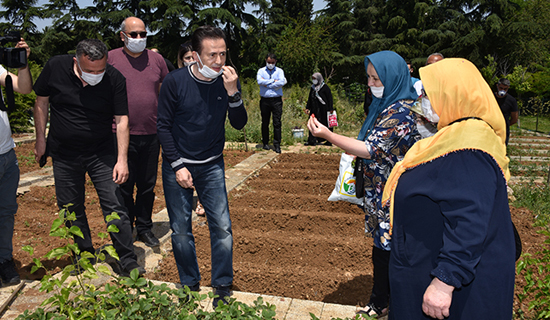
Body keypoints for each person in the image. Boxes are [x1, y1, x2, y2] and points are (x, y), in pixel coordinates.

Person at [382, 58, 515, 320]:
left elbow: (470, 217)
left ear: (453, 94)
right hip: (426, 267)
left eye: (429, 94)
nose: (422, 101)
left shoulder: (470, 147)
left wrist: (445, 281)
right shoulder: (454, 137)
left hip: (453, 292)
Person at [307, 50, 420, 318]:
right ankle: (384, 299)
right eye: (368, 78)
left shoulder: (401, 111)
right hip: (380, 193)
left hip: (393, 194)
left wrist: (328, 135)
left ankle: (388, 302)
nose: (370, 85)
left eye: (376, 79)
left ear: (392, 78)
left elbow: (371, 148)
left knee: (388, 251)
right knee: (383, 248)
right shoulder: (386, 105)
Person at [33, 39, 145, 276]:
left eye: (100, 70)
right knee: (70, 207)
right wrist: (40, 139)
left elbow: (122, 119)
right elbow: (41, 101)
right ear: (76, 61)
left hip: (100, 152)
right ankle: (83, 255)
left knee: (115, 204)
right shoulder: (55, 67)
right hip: (64, 154)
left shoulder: (114, 78)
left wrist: (121, 159)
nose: (95, 75)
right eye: (89, 71)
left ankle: (126, 258)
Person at [157, 25, 247, 307]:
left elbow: (240, 123)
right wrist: (177, 165)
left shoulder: (227, 80)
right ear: (195, 55)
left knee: (222, 226)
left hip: (211, 165)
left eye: (223, 54)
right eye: (212, 55)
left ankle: (222, 285)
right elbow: (163, 126)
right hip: (179, 164)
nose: (219, 61)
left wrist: (233, 92)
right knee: (181, 229)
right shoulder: (175, 82)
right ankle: (189, 284)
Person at [108, 17, 169, 247]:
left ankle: (144, 227)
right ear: (122, 36)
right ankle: (125, 231)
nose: (139, 39)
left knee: (147, 185)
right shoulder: (111, 59)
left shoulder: (157, 60)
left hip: (151, 132)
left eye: (143, 34)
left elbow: (163, 91)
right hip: (118, 134)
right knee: (122, 184)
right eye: (133, 35)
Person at [0, 37, 32, 287]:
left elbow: (23, 88)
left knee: (7, 212)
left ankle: (4, 260)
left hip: (7, 155)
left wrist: (22, 64)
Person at [257, 53, 287, 153]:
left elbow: (282, 81)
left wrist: (267, 83)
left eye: (272, 62)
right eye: (269, 62)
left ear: (275, 62)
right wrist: (273, 81)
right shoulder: (261, 71)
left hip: (276, 100)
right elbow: (259, 81)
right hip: (265, 100)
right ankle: (265, 143)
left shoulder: (279, 71)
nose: (270, 64)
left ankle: (277, 144)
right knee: (265, 122)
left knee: (277, 123)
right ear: (265, 60)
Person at [305, 73, 333, 146]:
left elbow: (329, 98)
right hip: (314, 109)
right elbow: (310, 98)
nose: (314, 80)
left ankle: (329, 140)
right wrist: (307, 107)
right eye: (313, 79)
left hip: (324, 110)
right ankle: (312, 140)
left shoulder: (325, 87)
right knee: (312, 123)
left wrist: (330, 108)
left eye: (315, 79)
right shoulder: (313, 88)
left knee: (326, 124)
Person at [494, 78, 518, 145]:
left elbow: (514, 118)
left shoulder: (512, 100)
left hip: (503, 131)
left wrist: (504, 125)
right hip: (490, 129)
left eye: (505, 89)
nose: (502, 90)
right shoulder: (491, 97)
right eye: (501, 88)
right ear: (497, 86)